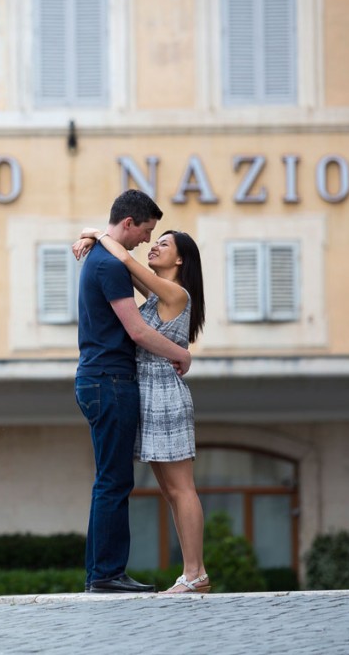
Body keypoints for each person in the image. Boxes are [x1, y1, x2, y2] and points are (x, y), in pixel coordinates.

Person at [73, 221, 209, 594]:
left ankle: (196, 574)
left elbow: (125, 262)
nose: (152, 246)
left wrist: (98, 235)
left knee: (182, 489)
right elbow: (123, 264)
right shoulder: (157, 295)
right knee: (169, 491)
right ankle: (190, 573)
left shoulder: (176, 293)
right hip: (148, 393)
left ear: (180, 259)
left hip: (164, 394)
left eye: (163, 244)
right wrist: (94, 235)